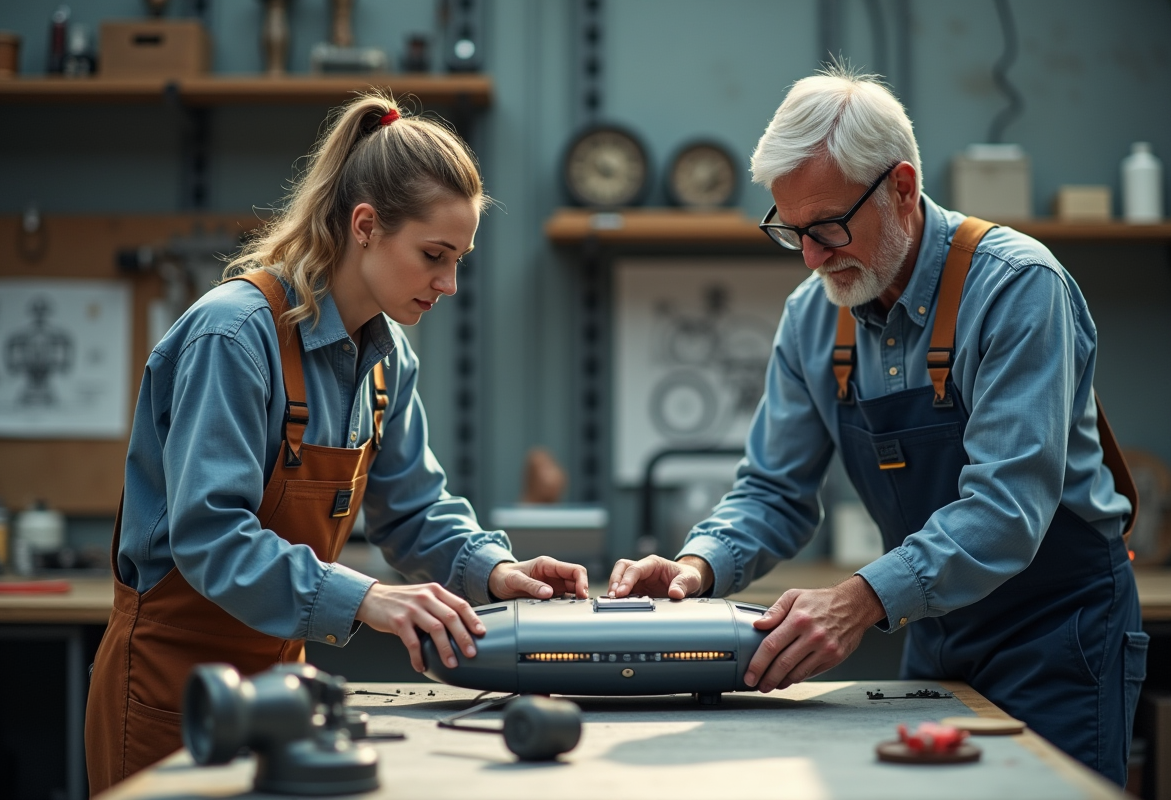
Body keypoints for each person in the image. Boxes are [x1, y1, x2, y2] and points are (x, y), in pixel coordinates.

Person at [607, 66, 1147, 785]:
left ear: (900, 186)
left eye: (827, 227)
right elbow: (772, 491)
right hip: (934, 631)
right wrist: (696, 567)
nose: (810, 256)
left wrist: (860, 599)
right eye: (790, 231)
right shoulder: (812, 314)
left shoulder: (1017, 290)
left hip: (1058, 636)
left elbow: (1006, 509)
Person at [85, 93, 588, 794]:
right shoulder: (234, 337)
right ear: (365, 226)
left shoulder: (387, 360)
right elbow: (209, 536)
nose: (448, 283)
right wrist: (367, 598)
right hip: (174, 690)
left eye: (460, 260)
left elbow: (414, 512)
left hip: (281, 689)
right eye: (433, 256)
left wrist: (497, 571)